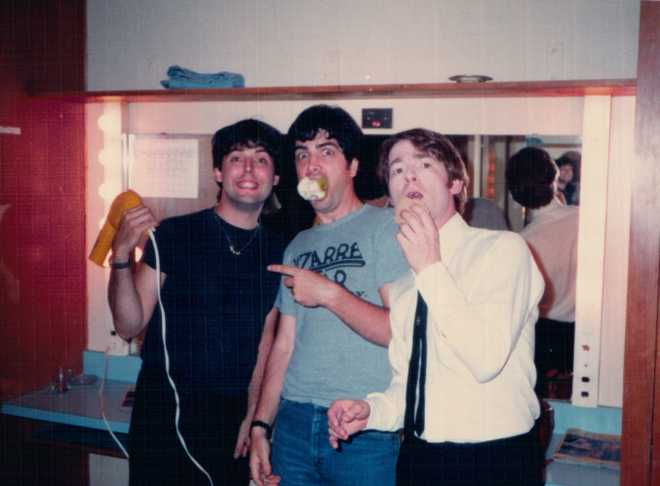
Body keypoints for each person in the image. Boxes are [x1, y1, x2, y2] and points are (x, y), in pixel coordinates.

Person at [327, 128, 545, 486]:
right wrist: (371, 411)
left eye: (424, 164)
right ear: (391, 196)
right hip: (420, 458)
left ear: (455, 184)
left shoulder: (503, 251)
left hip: (495, 460)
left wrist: (429, 267)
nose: (408, 175)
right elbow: (410, 386)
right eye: (397, 169)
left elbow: (485, 358)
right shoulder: (404, 287)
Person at [108, 119, 287, 486]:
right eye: (236, 158)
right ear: (218, 172)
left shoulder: (279, 251)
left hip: (231, 417)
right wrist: (121, 255)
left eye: (261, 159)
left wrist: (253, 415)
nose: (248, 169)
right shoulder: (174, 234)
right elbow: (129, 325)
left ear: (275, 178)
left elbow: (265, 343)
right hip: (163, 410)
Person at [248, 105, 408, 486]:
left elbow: (398, 331)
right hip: (293, 425)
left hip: (361, 428)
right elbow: (283, 346)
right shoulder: (297, 246)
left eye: (327, 151)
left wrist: (329, 293)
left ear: (352, 166)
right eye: (302, 154)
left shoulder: (387, 228)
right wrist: (260, 426)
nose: (311, 166)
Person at [506, 146, 579, 398]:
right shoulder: (586, 219)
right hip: (587, 333)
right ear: (554, 178)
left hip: (543, 338)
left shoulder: (522, 242)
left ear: (515, 195)